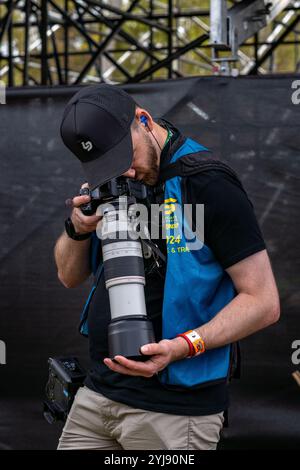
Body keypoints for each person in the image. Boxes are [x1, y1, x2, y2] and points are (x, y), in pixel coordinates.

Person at [54, 84, 280, 450]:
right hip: (97, 396)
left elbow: (264, 302)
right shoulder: (112, 181)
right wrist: (76, 228)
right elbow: (68, 276)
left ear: (143, 120)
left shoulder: (207, 182)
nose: (124, 172)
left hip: (174, 413)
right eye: (110, 164)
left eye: (126, 157)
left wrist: (181, 347)